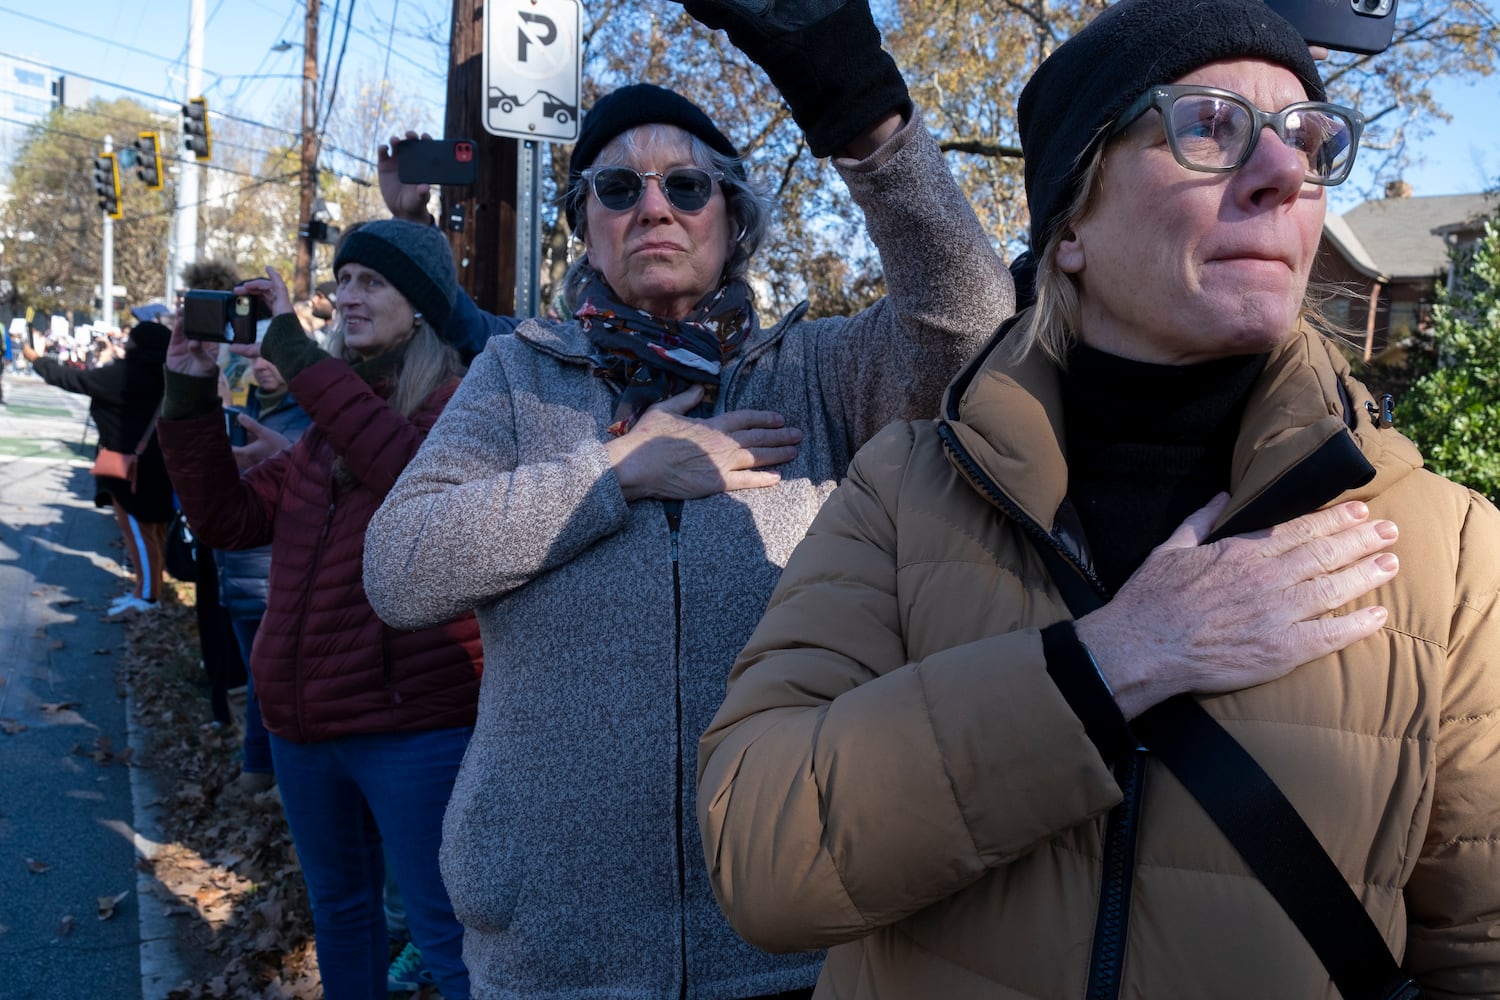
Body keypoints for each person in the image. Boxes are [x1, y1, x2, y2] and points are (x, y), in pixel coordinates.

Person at [694, 0, 1500, 996]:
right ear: (1071, 223)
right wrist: (1114, 661)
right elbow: (757, 855)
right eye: (1211, 125)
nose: (1286, 172)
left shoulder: (1451, 551)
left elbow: (1479, 950)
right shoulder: (907, 490)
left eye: (1309, 137)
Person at [361, 0, 1014, 994]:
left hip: (790, 940)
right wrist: (615, 473)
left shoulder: (825, 372)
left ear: (735, 218)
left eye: (688, 185)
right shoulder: (515, 378)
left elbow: (972, 318)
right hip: (555, 958)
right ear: (583, 221)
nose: (652, 206)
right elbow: (401, 568)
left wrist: (859, 104)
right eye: (617, 187)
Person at [157, 220, 482, 1000]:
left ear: (424, 304)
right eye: (345, 281)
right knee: (341, 915)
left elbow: (407, 476)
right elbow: (230, 520)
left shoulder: (460, 404)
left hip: (413, 728)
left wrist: (295, 352)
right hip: (306, 727)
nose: (348, 296)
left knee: (447, 935)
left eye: (372, 281)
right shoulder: (330, 424)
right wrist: (190, 388)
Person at [24, 318, 174, 615]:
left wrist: (37, 360)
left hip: (128, 465)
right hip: (161, 463)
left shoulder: (126, 374)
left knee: (138, 531)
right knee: (154, 531)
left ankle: (147, 596)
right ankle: (148, 588)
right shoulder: (171, 374)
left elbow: (73, 379)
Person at [216, 347, 311, 791]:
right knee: (258, 677)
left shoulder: (312, 413)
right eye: (257, 358)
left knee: (269, 681)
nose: (263, 365)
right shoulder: (244, 408)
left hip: (274, 575)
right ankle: (260, 768)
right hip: (236, 571)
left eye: (274, 355)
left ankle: (261, 770)